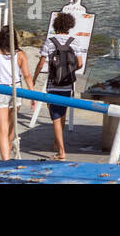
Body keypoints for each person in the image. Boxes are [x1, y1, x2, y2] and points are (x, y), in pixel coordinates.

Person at [33, 14, 83, 160]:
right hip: (68, 85)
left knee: (55, 116)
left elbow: (41, 63)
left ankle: (61, 151)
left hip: (53, 84)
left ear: (55, 25)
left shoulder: (50, 42)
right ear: (70, 25)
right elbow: (80, 64)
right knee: (61, 115)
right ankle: (57, 141)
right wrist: (69, 71)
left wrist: (34, 78)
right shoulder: (75, 42)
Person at [0, 25, 33, 160]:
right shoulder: (21, 55)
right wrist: (33, 95)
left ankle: (6, 160)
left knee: (2, 130)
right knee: (11, 126)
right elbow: (27, 75)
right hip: (16, 90)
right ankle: (8, 155)